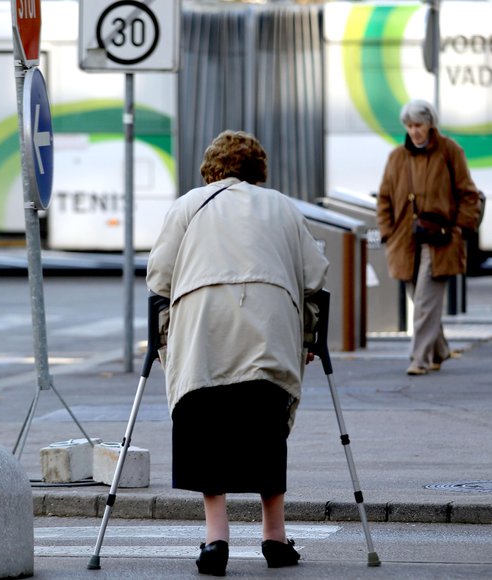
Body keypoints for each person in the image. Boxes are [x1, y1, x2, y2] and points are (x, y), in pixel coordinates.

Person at [147, 130, 329, 576]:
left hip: (203, 331)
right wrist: (309, 340)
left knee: (204, 420)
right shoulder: (283, 207)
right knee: (265, 425)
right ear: (257, 169)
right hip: (269, 329)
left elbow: (159, 280)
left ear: (211, 167)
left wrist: (163, 340)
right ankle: (274, 537)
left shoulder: (189, 205)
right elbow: (315, 279)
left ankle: (216, 540)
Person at [376, 99, 483, 376]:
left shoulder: (449, 151)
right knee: (424, 302)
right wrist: (387, 232)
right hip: (404, 241)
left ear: (430, 124)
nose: (414, 131)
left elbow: (468, 194)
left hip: (441, 240)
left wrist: (460, 228)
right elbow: (384, 199)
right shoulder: (397, 157)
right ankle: (439, 350)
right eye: (409, 126)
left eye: (419, 125)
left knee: (424, 302)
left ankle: (419, 359)